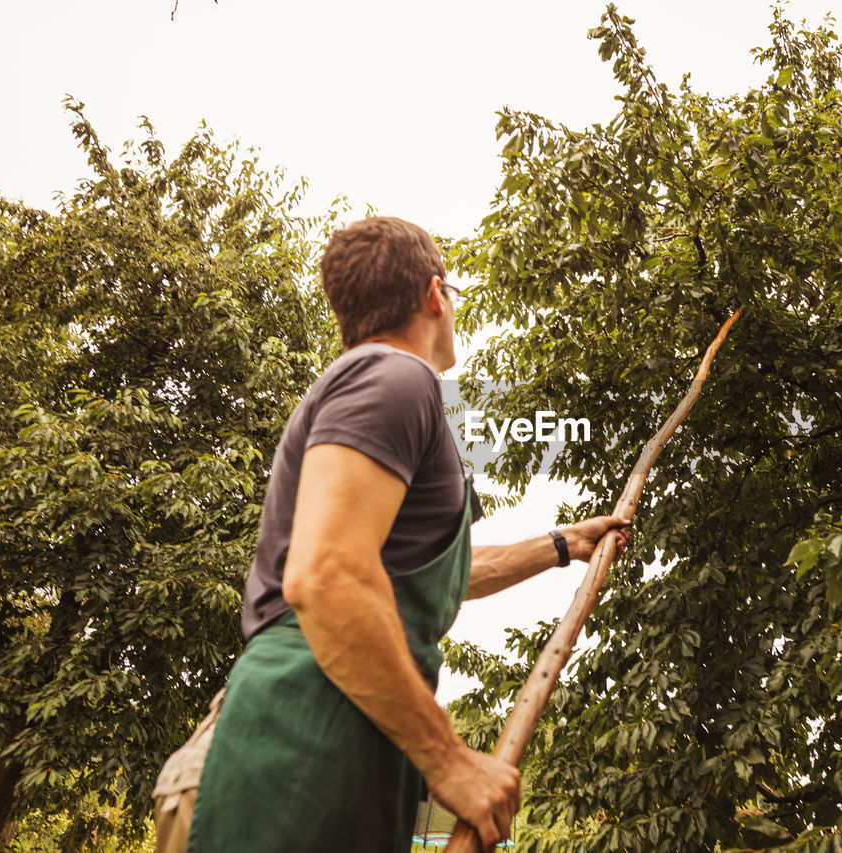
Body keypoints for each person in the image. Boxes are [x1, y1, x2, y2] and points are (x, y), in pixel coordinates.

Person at [154, 216, 630, 852]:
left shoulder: (379, 388)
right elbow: (325, 577)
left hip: (329, 762)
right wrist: (450, 760)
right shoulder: (395, 378)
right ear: (436, 295)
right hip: (287, 756)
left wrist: (561, 547)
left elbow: (413, 579)